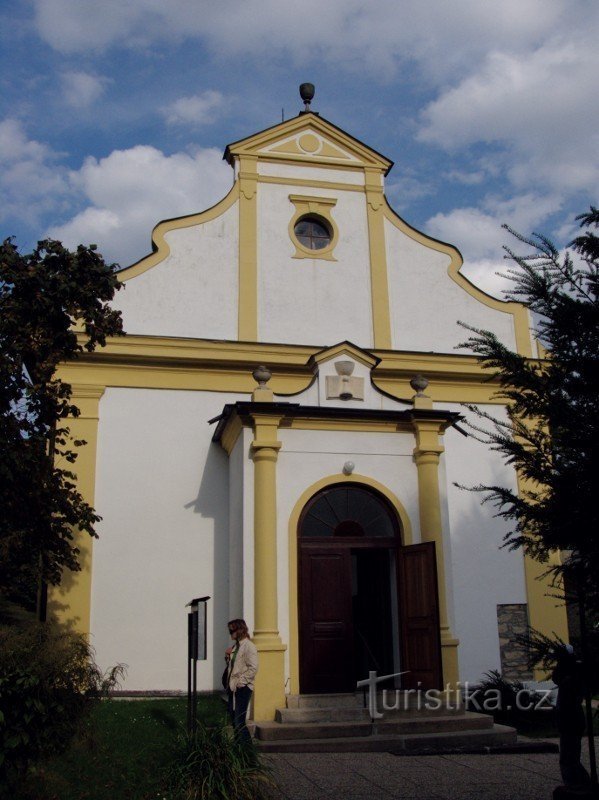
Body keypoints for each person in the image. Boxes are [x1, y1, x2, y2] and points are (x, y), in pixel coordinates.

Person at [552, 644, 591, 789]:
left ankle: (576, 782)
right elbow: (557, 678)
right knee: (570, 754)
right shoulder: (569, 670)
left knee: (569, 755)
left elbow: (558, 679)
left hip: (570, 718)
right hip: (569, 718)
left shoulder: (572, 672)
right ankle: (577, 781)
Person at [224, 618, 258, 744]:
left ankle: (248, 752)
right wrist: (228, 657)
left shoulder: (249, 646)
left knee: (239, 721)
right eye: (229, 630)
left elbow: (253, 668)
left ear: (240, 630)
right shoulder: (237, 646)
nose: (230, 632)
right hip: (233, 688)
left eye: (232, 629)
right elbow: (235, 666)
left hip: (243, 688)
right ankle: (240, 750)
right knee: (235, 721)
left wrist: (241, 682)